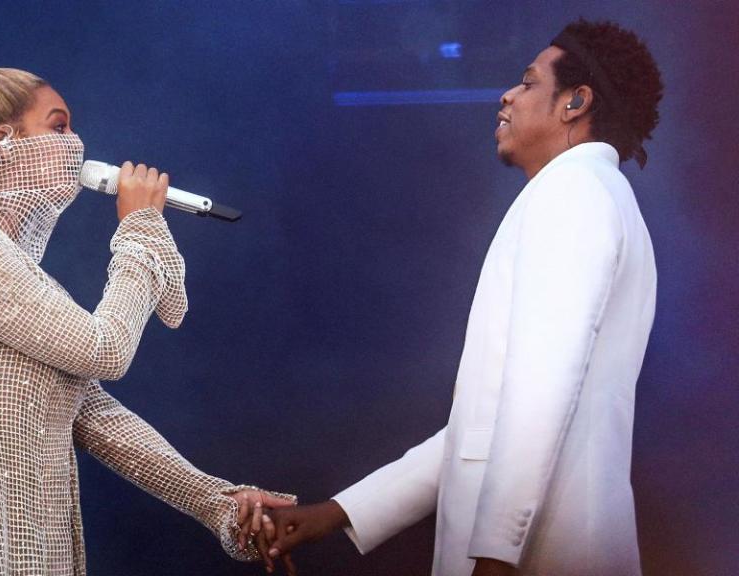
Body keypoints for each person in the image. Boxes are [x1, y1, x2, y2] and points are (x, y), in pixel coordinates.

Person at [0, 57, 293, 575]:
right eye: (58, 126)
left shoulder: (12, 270)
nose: (76, 144)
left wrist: (221, 502)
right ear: (4, 141)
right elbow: (104, 350)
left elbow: (99, 416)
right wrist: (141, 230)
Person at [258, 19, 663, 576]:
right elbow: (483, 428)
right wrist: (339, 512)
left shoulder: (573, 193)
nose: (506, 94)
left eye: (526, 82)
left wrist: (496, 556)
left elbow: (540, 394)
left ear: (575, 102)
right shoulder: (590, 194)